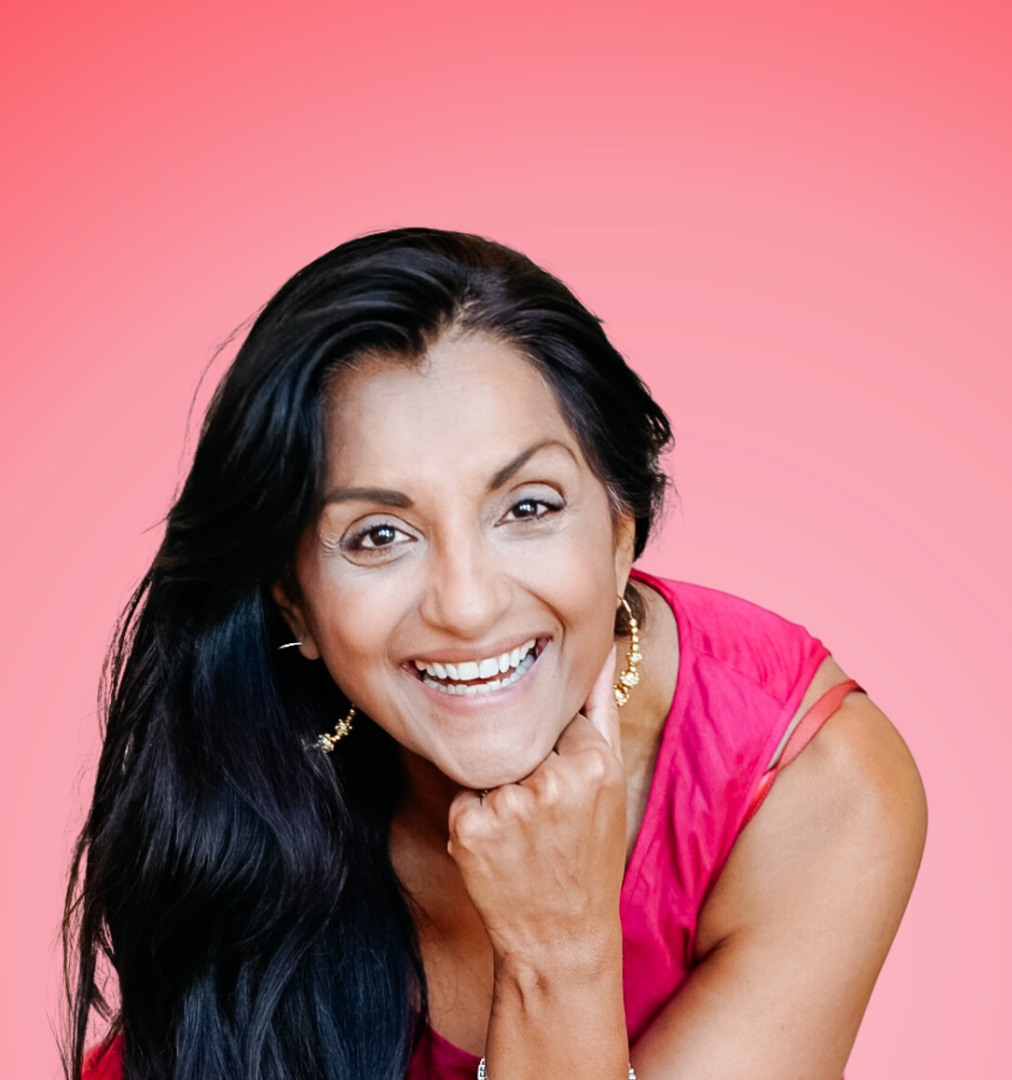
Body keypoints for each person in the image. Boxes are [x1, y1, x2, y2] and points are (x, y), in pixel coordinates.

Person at [65, 228, 926, 1080]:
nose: (468, 606)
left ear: (620, 532)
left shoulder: (813, 786)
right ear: (295, 602)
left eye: (528, 508)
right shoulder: (248, 783)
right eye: (378, 535)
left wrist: (560, 948)